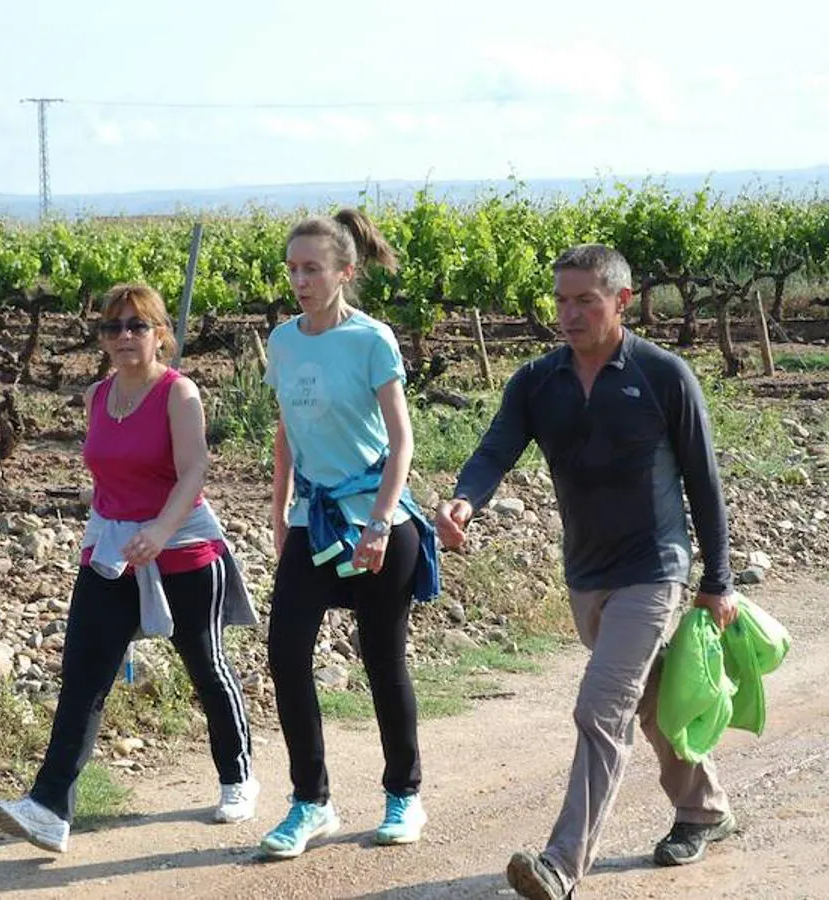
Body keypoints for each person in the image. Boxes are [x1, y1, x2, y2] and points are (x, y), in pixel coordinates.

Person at [435, 244, 738, 899]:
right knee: (653, 702)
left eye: (584, 301)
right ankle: (703, 809)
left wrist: (718, 579)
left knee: (601, 707)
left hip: (654, 568)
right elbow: (494, 450)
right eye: (561, 300)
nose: (568, 314)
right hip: (586, 574)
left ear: (621, 302)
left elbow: (703, 483)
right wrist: (465, 498)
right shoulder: (537, 382)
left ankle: (561, 863)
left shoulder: (662, 376)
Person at [0, 283, 259, 853]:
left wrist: (158, 531)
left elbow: (193, 473)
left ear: (161, 333)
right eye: (113, 327)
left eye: (137, 325)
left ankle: (237, 775)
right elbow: (108, 477)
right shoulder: (98, 396)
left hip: (184, 549)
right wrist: (109, 534)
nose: (124, 337)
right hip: (112, 552)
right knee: (83, 674)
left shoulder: (179, 394)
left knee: (206, 664)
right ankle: (49, 808)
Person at [257, 209, 441, 860]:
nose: (300, 280)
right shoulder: (282, 341)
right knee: (284, 655)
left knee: (381, 660)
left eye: (312, 268)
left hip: (375, 519)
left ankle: (403, 795)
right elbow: (285, 434)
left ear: (344, 272)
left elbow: (401, 441)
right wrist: (278, 514)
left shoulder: (371, 341)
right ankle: (311, 803)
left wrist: (380, 522)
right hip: (313, 521)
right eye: (293, 268)